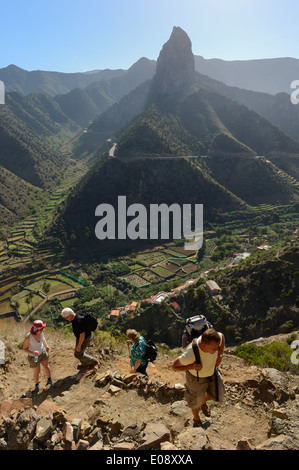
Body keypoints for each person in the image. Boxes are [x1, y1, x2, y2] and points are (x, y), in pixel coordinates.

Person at [172, 328, 225, 428]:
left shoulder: (216, 339)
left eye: (217, 348)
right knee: (195, 402)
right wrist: (191, 366)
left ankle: (203, 401)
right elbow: (174, 366)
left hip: (212, 371)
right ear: (204, 345)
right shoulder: (190, 353)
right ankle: (196, 419)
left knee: (219, 396)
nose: (216, 351)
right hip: (196, 377)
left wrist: (220, 355)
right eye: (214, 349)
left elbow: (222, 336)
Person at [23, 320, 54, 392]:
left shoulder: (41, 332)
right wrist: (33, 352)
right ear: (36, 329)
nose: (43, 330)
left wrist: (46, 346)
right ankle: (37, 384)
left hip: (42, 352)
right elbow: (24, 349)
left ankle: (49, 380)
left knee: (46, 366)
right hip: (33, 356)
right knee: (37, 371)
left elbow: (43, 338)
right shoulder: (28, 337)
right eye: (41, 329)